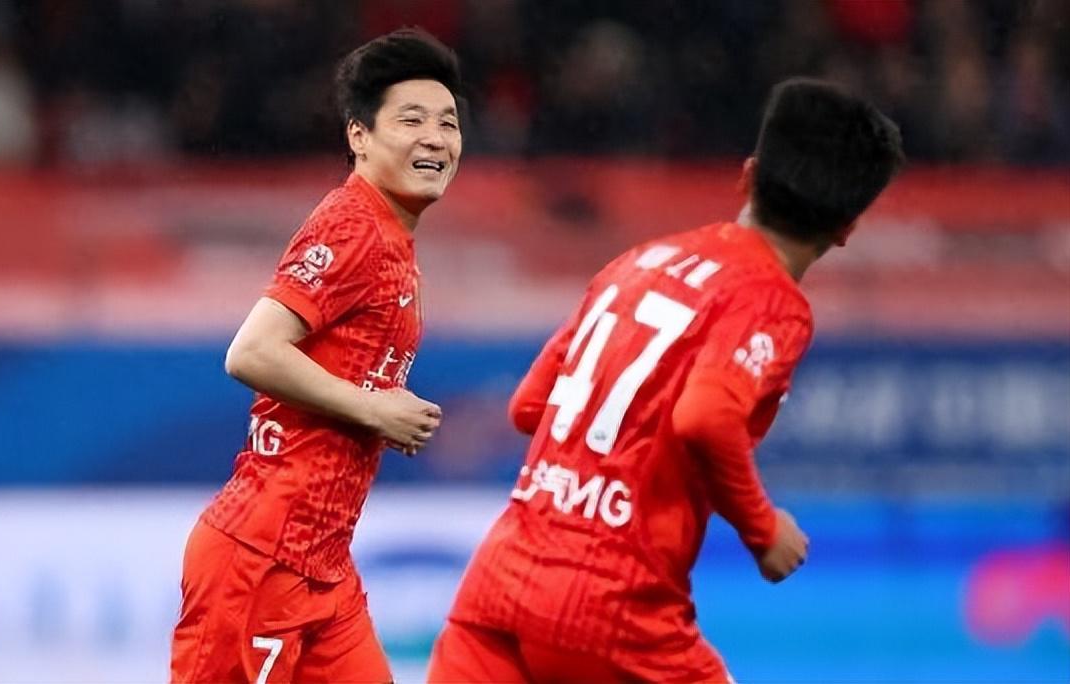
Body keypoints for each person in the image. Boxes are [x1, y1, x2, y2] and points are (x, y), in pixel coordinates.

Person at [428, 78, 905, 683]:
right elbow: (706, 415)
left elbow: (528, 406)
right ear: (846, 228)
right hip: (613, 607)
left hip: (499, 586)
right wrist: (763, 528)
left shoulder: (639, 261)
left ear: (748, 175)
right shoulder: (771, 300)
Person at [170, 28, 464, 684]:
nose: (435, 139)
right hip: (261, 561)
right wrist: (373, 410)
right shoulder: (352, 226)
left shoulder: (392, 239)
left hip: (324, 568)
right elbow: (251, 351)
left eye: (448, 123)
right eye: (411, 120)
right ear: (360, 135)